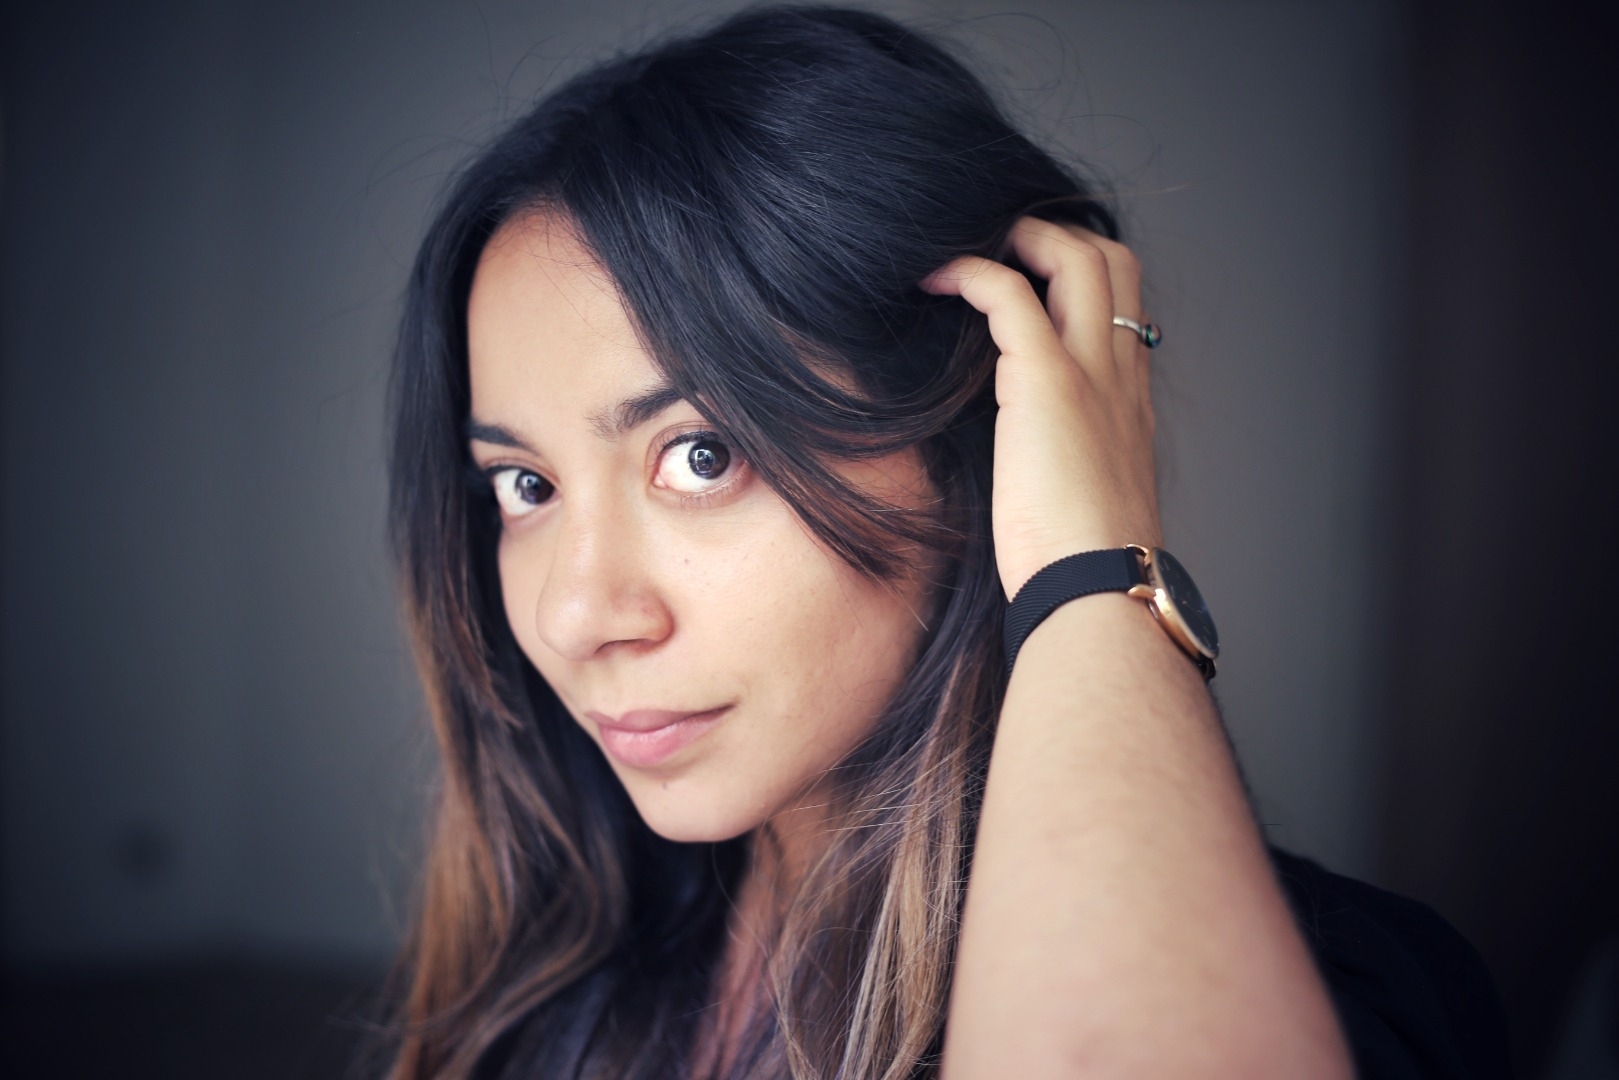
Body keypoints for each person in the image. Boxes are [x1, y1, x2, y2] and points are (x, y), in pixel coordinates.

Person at [380, 6, 1509, 1077]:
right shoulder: (548, 981)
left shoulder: (1341, 993)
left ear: (978, 436)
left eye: (703, 456)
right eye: (525, 485)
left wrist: (1094, 567)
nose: (575, 616)